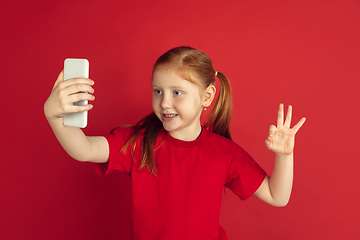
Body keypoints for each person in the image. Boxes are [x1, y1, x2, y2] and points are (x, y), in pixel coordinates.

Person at [44, 46, 306, 240]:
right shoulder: (139, 142)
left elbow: (277, 196)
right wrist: (55, 117)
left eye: (177, 92)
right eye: (157, 91)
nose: (165, 102)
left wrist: (284, 155)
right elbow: (84, 149)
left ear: (207, 96)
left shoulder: (224, 153)